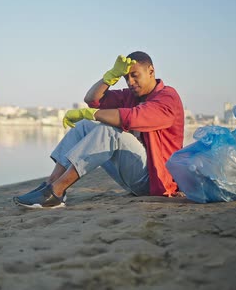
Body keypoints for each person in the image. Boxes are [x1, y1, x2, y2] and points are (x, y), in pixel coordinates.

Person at [13, 51, 185, 208]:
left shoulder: (168, 97)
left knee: (109, 132)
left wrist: (92, 113)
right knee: (85, 125)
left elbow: (133, 117)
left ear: (151, 71)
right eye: (126, 78)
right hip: (132, 177)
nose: (130, 82)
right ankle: (50, 185)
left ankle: (56, 191)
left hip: (156, 182)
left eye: (135, 76)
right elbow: (92, 100)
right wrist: (110, 76)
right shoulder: (131, 96)